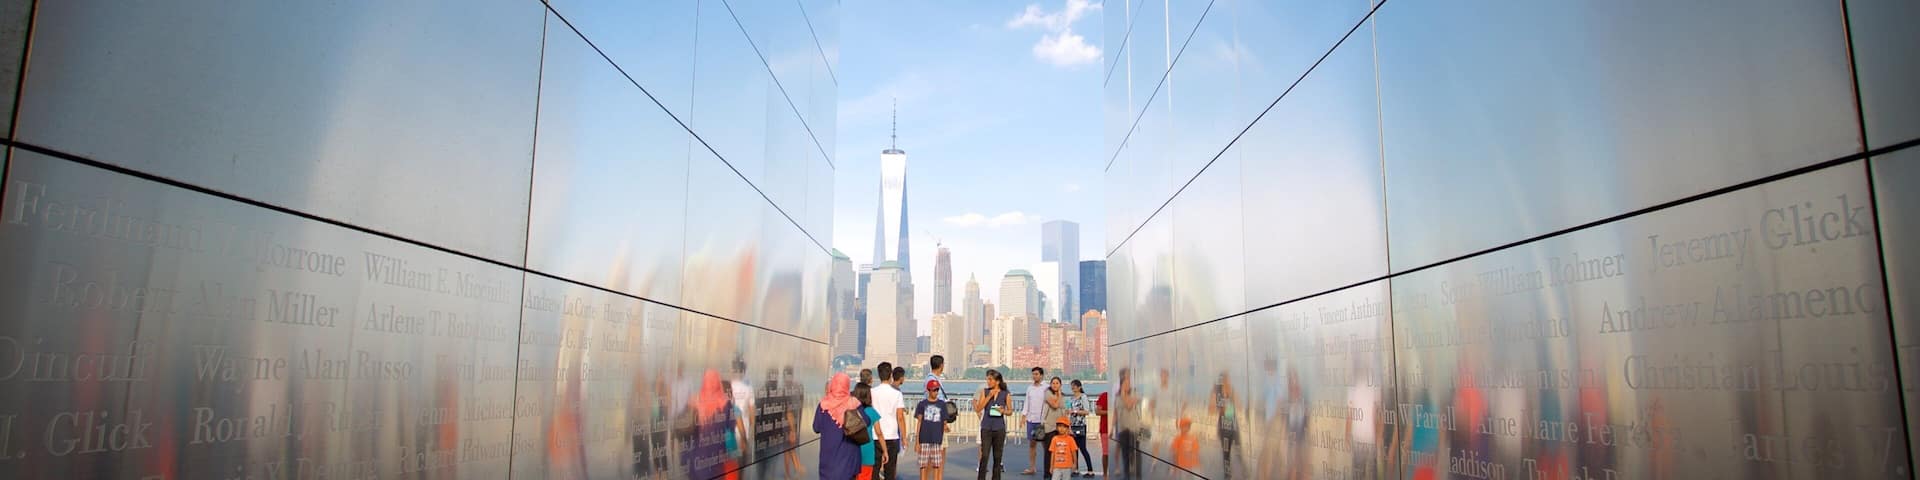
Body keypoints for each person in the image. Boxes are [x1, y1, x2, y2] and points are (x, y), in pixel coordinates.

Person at [813, 373, 861, 480]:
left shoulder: (823, 405)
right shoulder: (854, 404)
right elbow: (866, 422)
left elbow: (816, 427)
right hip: (849, 459)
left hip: (828, 461)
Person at [975, 369, 1011, 480]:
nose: (988, 381)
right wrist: (989, 396)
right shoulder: (985, 392)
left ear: (997, 381)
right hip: (986, 427)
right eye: (987, 379)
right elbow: (978, 408)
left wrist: (1003, 411)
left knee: (997, 457)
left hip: (999, 428)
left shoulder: (1005, 394)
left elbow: (1010, 411)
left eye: (990, 379)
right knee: (984, 455)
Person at [872, 363, 905, 480]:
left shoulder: (872, 392)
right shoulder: (897, 394)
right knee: (890, 470)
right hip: (892, 435)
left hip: (875, 434)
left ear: (879, 375)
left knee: (875, 469)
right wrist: (903, 437)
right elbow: (900, 417)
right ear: (890, 374)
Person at [914, 380, 949, 479]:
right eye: (934, 390)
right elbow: (919, 422)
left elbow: (944, 421)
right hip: (924, 439)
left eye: (937, 390)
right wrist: (917, 442)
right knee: (923, 465)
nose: (936, 392)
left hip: (937, 439)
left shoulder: (942, 404)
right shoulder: (922, 404)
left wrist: (945, 427)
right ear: (928, 390)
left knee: (936, 464)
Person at [855, 383, 888, 480]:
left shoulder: (852, 410)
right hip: (867, 449)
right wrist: (885, 451)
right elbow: (879, 433)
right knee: (866, 476)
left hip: (853, 449)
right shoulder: (871, 411)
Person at [1210, 373, 1240, 479]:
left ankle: (1244, 473)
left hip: (1233, 425)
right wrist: (1221, 409)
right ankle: (1227, 475)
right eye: (1225, 379)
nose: (1227, 381)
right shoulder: (1217, 392)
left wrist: (1232, 398)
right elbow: (1211, 409)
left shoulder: (1231, 390)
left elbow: (1238, 405)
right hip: (1224, 427)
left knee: (1239, 451)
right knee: (1226, 453)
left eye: (1228, 379)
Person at [1022, 367, 1048, 475]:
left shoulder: (1046, 387)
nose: (1034, 376)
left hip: (1041, 420)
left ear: (1041, 375)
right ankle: (1032, 467)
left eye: (1036, 374)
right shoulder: (1030, 388)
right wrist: (1024, 415)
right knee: (1032, 444)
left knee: (1045, 445)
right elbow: (1027, 402)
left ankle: (1048, 467)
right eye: (1033, 374)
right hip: (1031, 419)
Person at [1038, 377, 1067, 475]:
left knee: (1060, 450)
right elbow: (1055, 405)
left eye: (1057, 383)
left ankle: (1057, 472)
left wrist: (1067, 425)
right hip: (1049, 426)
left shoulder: (1063, 396)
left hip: (1060, 426)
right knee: (1049, 450)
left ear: (1060, 385)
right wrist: (1059, 395)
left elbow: (1064, 409)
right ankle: (1047, 473)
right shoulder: (1047, 393)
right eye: (1053, 383)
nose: (1055, 385)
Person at [1067, 380, 1094, 476]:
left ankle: (1090, 470)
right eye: (1072, 386)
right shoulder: (1071, 398)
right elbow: (1069, 412)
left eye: (1074, 386)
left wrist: (1075, 411)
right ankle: (1075, 469)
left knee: (1082, 448)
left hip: (1081, 425)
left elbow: (1087, 411)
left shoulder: (1083, 397)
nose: (1073, 388)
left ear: (1079, 387)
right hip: (1073, 425)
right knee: (1074, 449)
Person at [1095, 390, 1110, 478]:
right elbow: (1097, 411)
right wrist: (1110, 412)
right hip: (1105, 429)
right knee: (1106, 453)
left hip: (1121, 429)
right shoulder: (1104, 395)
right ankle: (1105, 475)